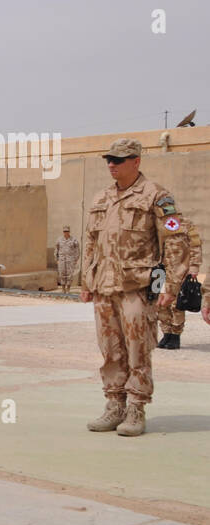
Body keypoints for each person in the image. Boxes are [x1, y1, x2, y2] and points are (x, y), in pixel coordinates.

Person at [80, 139, 190, 435]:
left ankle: (136, 408)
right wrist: (86, 281)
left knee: (138, 350)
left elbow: (176, 240)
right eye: (109, 160)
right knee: (110, 351)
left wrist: (170, 284)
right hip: (104, 287)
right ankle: (114, 405)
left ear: (136, 161)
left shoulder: (156, 196)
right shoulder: (101, 198)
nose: (112, 165)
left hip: (137, 287)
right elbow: (91, 242)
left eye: (119, 159)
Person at [156, 217, 200, 349]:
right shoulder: (153, 223)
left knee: (177, 303)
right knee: (159, 303)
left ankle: (175, 335)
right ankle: (166, 332)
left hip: (180, 269)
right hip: (159, 269)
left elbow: (196, 244)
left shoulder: (185, 223)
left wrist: (194, 266)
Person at [55, 225, 80, 294]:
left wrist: (76, 259)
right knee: (61, 273)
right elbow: (56, 249)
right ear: (63, 232)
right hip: (61, 260)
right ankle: (63, 289)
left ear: (69, 231)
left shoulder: (74, 240)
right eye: (64, 231)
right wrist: (56, 259)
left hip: (70, 260)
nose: (66, 232)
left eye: (67, 231)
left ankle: (68, 289)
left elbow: (77, 250)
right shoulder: (59, 240)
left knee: (70, 274)